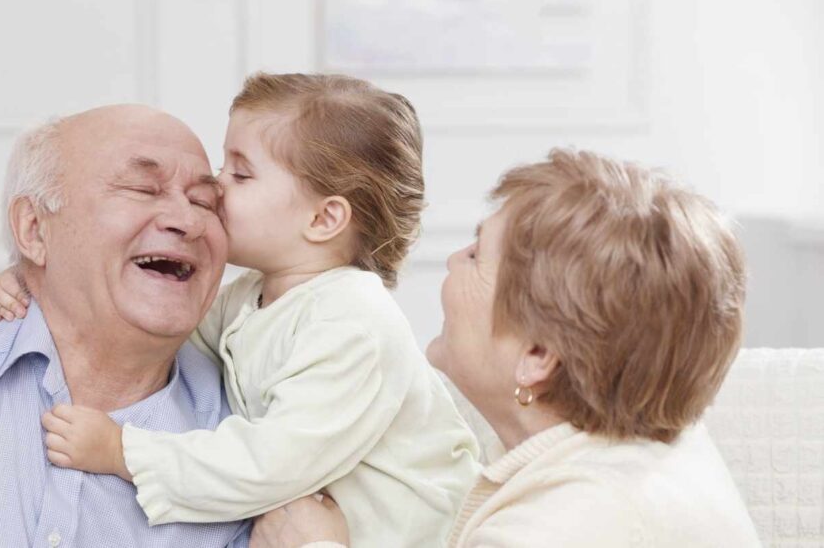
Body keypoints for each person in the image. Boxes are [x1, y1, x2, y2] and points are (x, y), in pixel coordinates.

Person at [0, 73, 482, 548]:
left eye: (240, 173)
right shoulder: (251, 297)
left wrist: (123, 452)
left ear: (324, 218)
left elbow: (271, 465)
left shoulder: (355, 320)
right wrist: (37, 279)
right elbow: (155, 328)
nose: (217, 187)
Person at [250, 148, 763, 547]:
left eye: (476, 255)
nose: (452, 260)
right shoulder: (645, 447)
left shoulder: (569, 522)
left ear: (537, 355)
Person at [0, 104, 250, 546]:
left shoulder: (255, 438)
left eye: (203, 201)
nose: (188, 221)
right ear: (35, 230)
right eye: (141, 188)